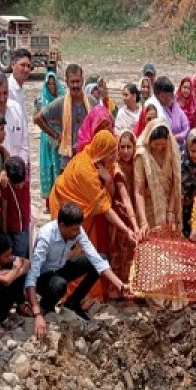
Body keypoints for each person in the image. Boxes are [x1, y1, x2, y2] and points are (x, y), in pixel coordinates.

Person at [49, 130, 136, 302]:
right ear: (103, 150)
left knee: (88, 251)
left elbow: (108, 195)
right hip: (65, 207)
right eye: (112, 152)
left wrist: (109, 180)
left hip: (84, 211)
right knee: (74, 253)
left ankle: (87, 294)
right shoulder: (85, 170)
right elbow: (105, 208)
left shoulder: (96, 156)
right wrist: (127, 230)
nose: (116, 156)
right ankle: (72, 296)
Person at [26, 203, 131, 324]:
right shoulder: (46, 237)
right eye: (74, 230)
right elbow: (32, 276)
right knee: (59, 284)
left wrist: (120, 285)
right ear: (62, 225)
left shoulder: (77, 231)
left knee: (102, 258)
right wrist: (36, 312)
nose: (77, 233)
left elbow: (95, 258)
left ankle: (73, 303)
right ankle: (45, 307)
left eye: (78, 228)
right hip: (44, 278)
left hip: (61, 268)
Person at [34, 64, 93, 166]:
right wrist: (55, 135)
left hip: (88, 156)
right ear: (67, 83)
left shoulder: (91, 101)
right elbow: (38, 118)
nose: (75, 85)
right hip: (68, 158)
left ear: (82, 81)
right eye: (72, 82)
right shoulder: (60, 103)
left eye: (77, 81)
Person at [134, 119, 182, 236]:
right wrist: (143, 221)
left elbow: (175, 183)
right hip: (149, 210)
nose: (159, 148)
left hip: (169, 209)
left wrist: (170, 211)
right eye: (156, 144)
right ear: (149, 140)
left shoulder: (171, 152)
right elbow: (139, 191)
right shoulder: (142, 155)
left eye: (162, 144)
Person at [108, 131, 140, 298]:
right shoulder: (117, 168)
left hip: (133, 212)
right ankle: (117, 290)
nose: (126, 151)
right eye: (122, 147)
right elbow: (125, 197)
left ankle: (130, 289)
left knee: (130, 253)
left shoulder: (137, 165)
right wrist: (134, 223)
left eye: (129, 147)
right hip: (120, 215)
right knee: (119, 252)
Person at [0, 231, 30, 330]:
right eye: (6, 256)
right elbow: (6, 280)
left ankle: (6, 315)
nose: (9, 257)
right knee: (4, 289)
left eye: (10, 254)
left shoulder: (4, 258)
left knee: (15, 277)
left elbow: (26, 262)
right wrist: (15, 270)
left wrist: (16, 272)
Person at [35, 71, 65, 200]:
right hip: (47, 137)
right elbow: (35, 117)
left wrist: (58, 121)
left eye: (54, 84)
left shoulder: (63, 98)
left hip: (60, 136)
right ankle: (49, 199)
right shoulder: (41, 99)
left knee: (60, 165)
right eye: (49, 85)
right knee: (49, 164)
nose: (52, 87)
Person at [144, 76, 190, 146]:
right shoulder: (152, 106)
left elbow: (186, 128)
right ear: (159, 95)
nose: (170, 98)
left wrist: (177, 137)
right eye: (167, 96)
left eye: (171, 95)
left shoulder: (175, 106)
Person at [0, 156, 31, 258]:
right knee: (19, 253)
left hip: (26, 223)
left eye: (21, 183)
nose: (20, 186)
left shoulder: (25, 176)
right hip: (15, 227)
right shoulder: (6, 186)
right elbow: (3, 211)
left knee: (25, 250)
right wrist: (4, 233)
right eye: (16, 185)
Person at [8, 49, 32, 120]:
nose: (26, 69)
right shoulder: (7, 89)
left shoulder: (19, 88)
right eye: (22, 65)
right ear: (13, 65)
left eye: (28, 66)